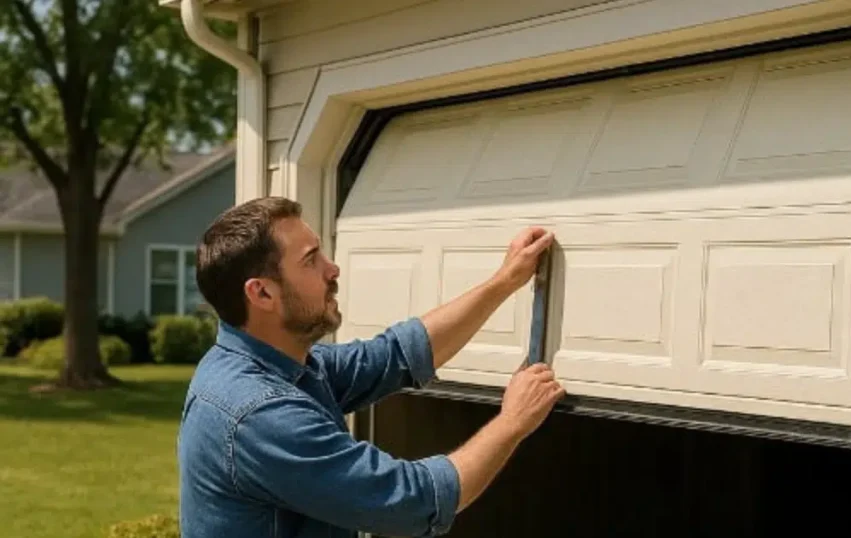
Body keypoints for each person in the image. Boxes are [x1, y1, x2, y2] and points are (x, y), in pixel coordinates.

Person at [177, 196, 565, 538]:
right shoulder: (259, 414)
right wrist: (512, 422)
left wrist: (504, 281)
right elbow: (413, 502)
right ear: (262, 292)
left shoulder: (276, 365)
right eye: (311, 260)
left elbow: (396, 354)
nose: (332, 269)